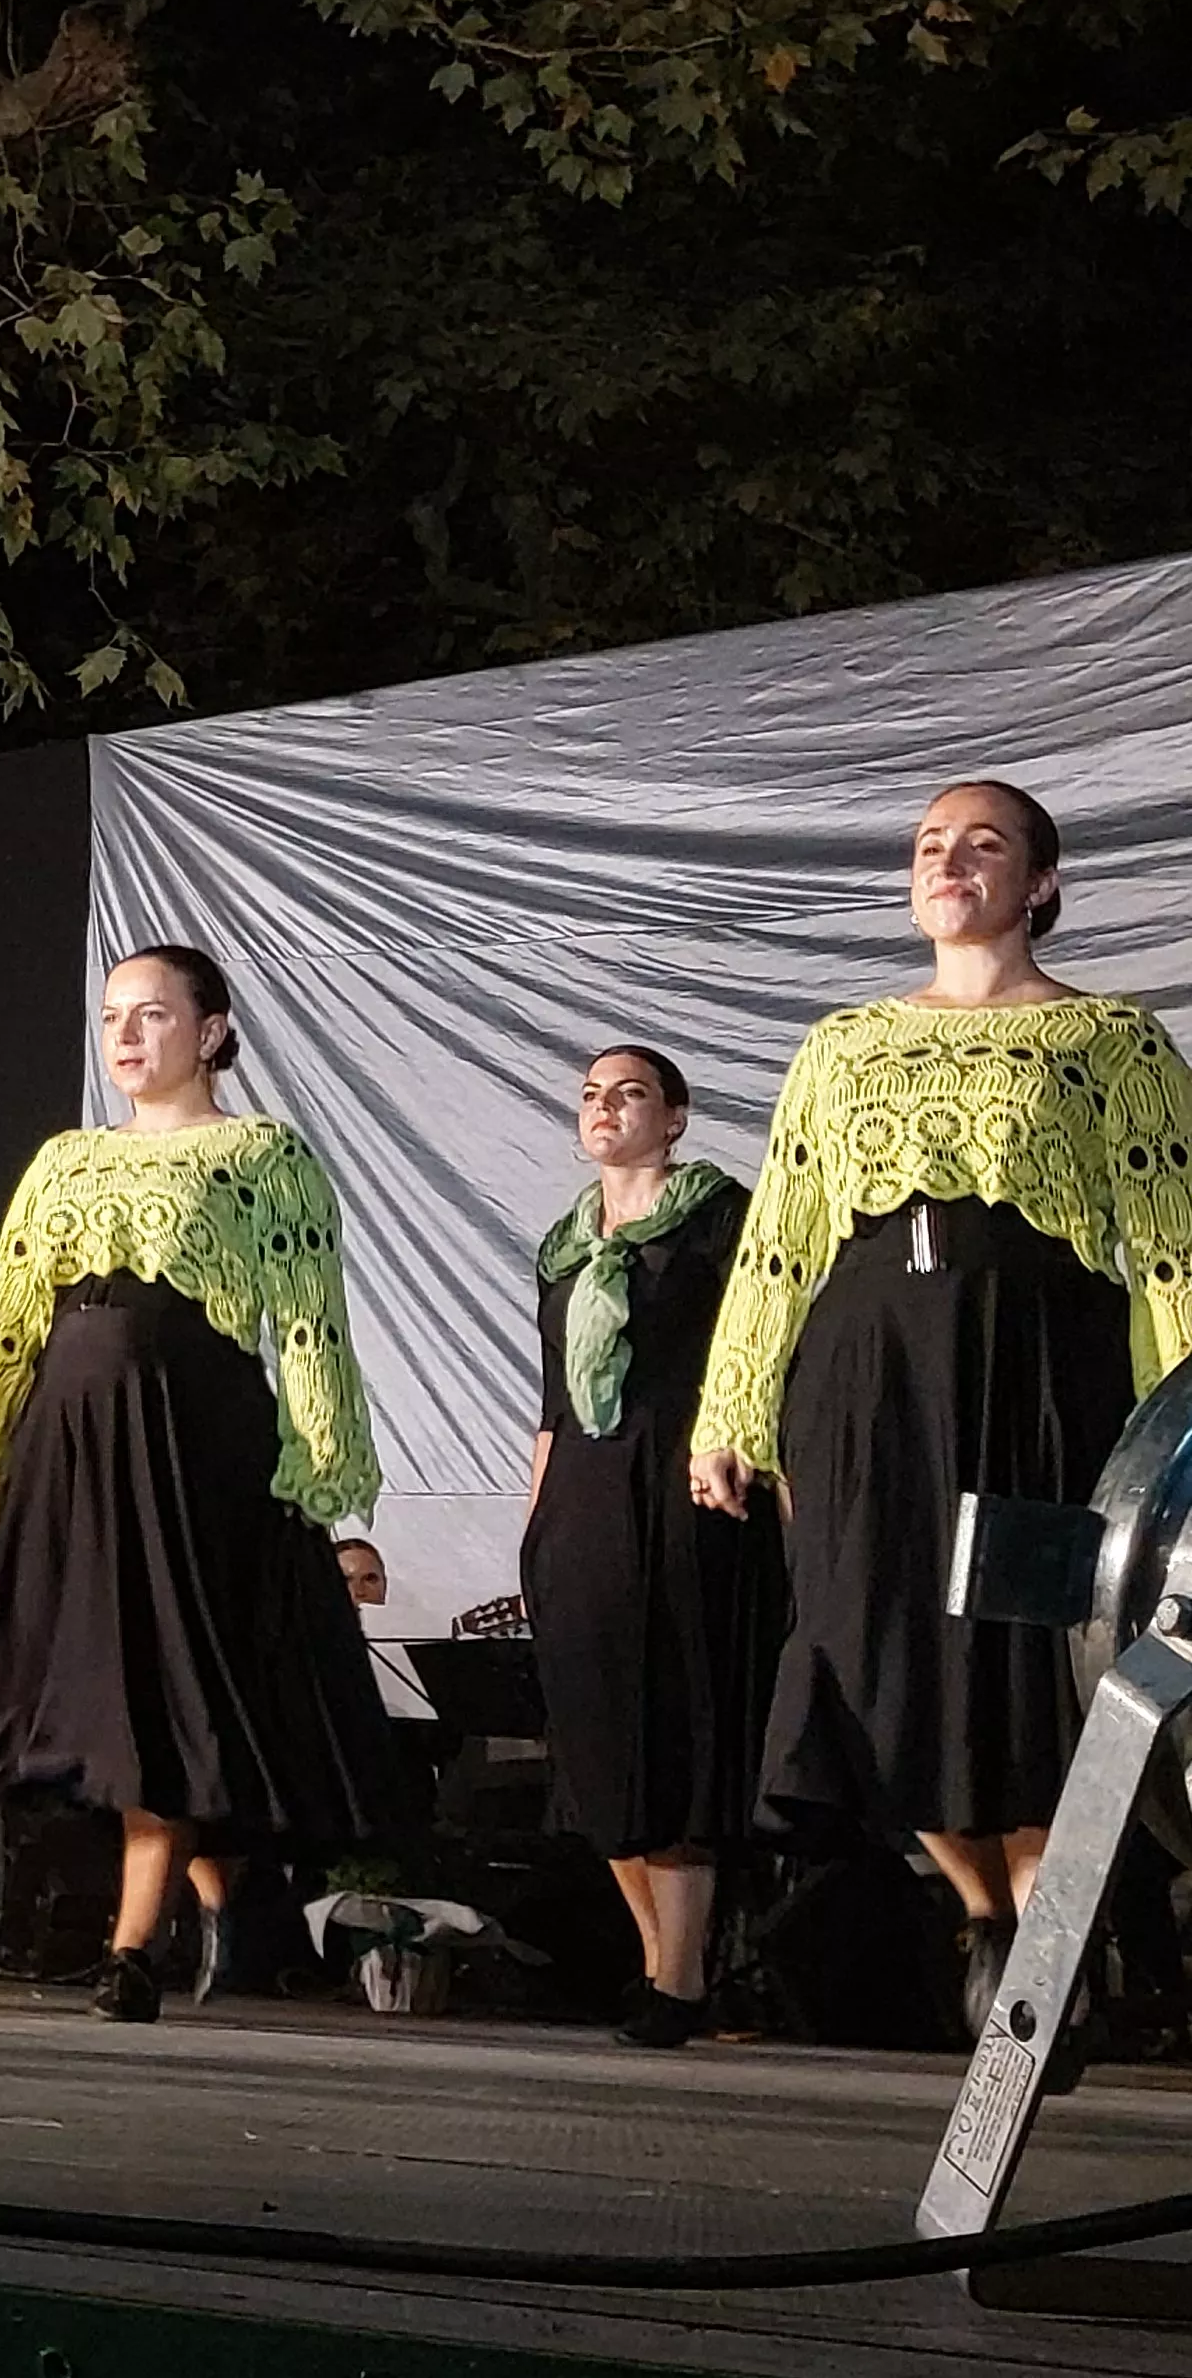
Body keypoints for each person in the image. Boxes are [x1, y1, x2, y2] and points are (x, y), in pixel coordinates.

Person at [689, 781, 1192, 2037]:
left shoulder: (1109, 1044)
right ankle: (982, 1908)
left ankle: (1047, 1923)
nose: (948, 860)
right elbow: (781, 1241)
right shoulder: (841, 1044)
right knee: (867, 1645)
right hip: (864, 1377)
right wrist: (730, 1413)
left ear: (1041, 885)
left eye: (983, 843)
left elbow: (1173, 1244)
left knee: (1023, 1661)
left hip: (1037, 1375)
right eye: (928, 844)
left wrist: (1181, 1440)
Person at [0, 944, 395, 2023]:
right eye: (111, 1018)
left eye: (151, 1015)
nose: (127, 1036)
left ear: (213, 1030)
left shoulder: (262, 1156)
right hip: (72, 1442)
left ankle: (129, 1949)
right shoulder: (64, 1163)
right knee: (93, 1691)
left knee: (164, 1686)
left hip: (195, 1443)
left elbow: (312, 1326)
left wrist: (328, 1484)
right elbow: (5, 1316)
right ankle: (232, 1903)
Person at [516, 1046, 764, 2045]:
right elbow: (548, 1400)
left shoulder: (719, 1219)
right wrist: (534, 1525)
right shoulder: (564, 1246)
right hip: (582, 1485)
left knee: (680, 1717)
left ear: (674, 1117)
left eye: (627, 1093)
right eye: (588, 1095)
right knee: (598, 1730)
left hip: (683, 1475)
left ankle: (677, 1976)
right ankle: (670, 1967)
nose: (603, 1108)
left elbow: (756, 1351)